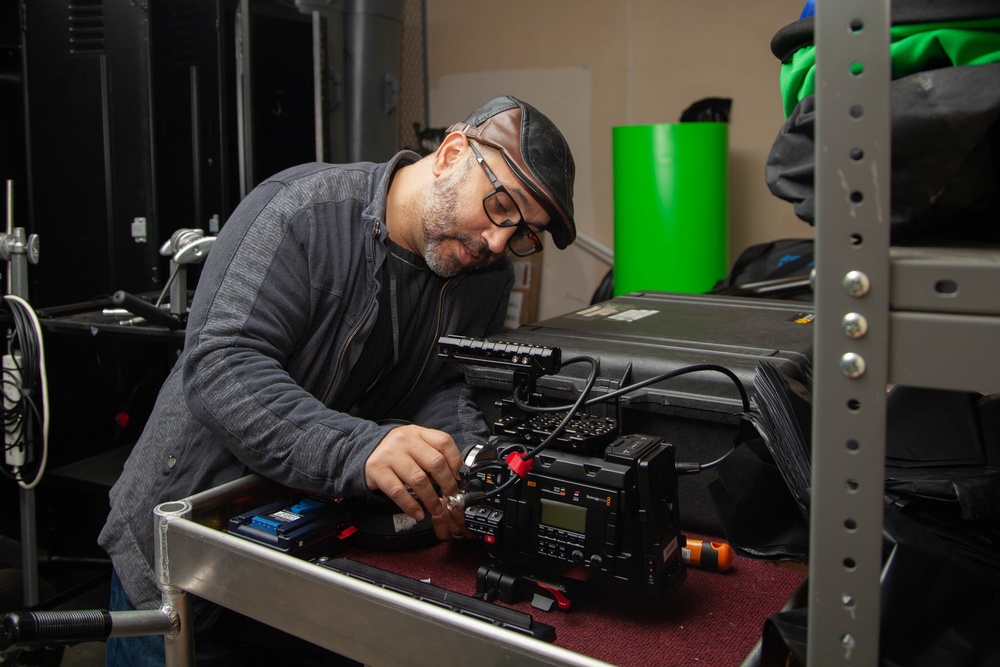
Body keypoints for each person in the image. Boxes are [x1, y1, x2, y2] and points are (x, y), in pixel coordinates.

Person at [98, 94, 576, 665]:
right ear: (451, 153)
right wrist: (362, 447)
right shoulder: (300, 211)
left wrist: (466, 469)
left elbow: (445, 384)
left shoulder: (484, 273)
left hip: (308, 562)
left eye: (526, 232)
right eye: (502, 206)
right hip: (187, 552)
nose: (500, 243)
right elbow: (221, 365)